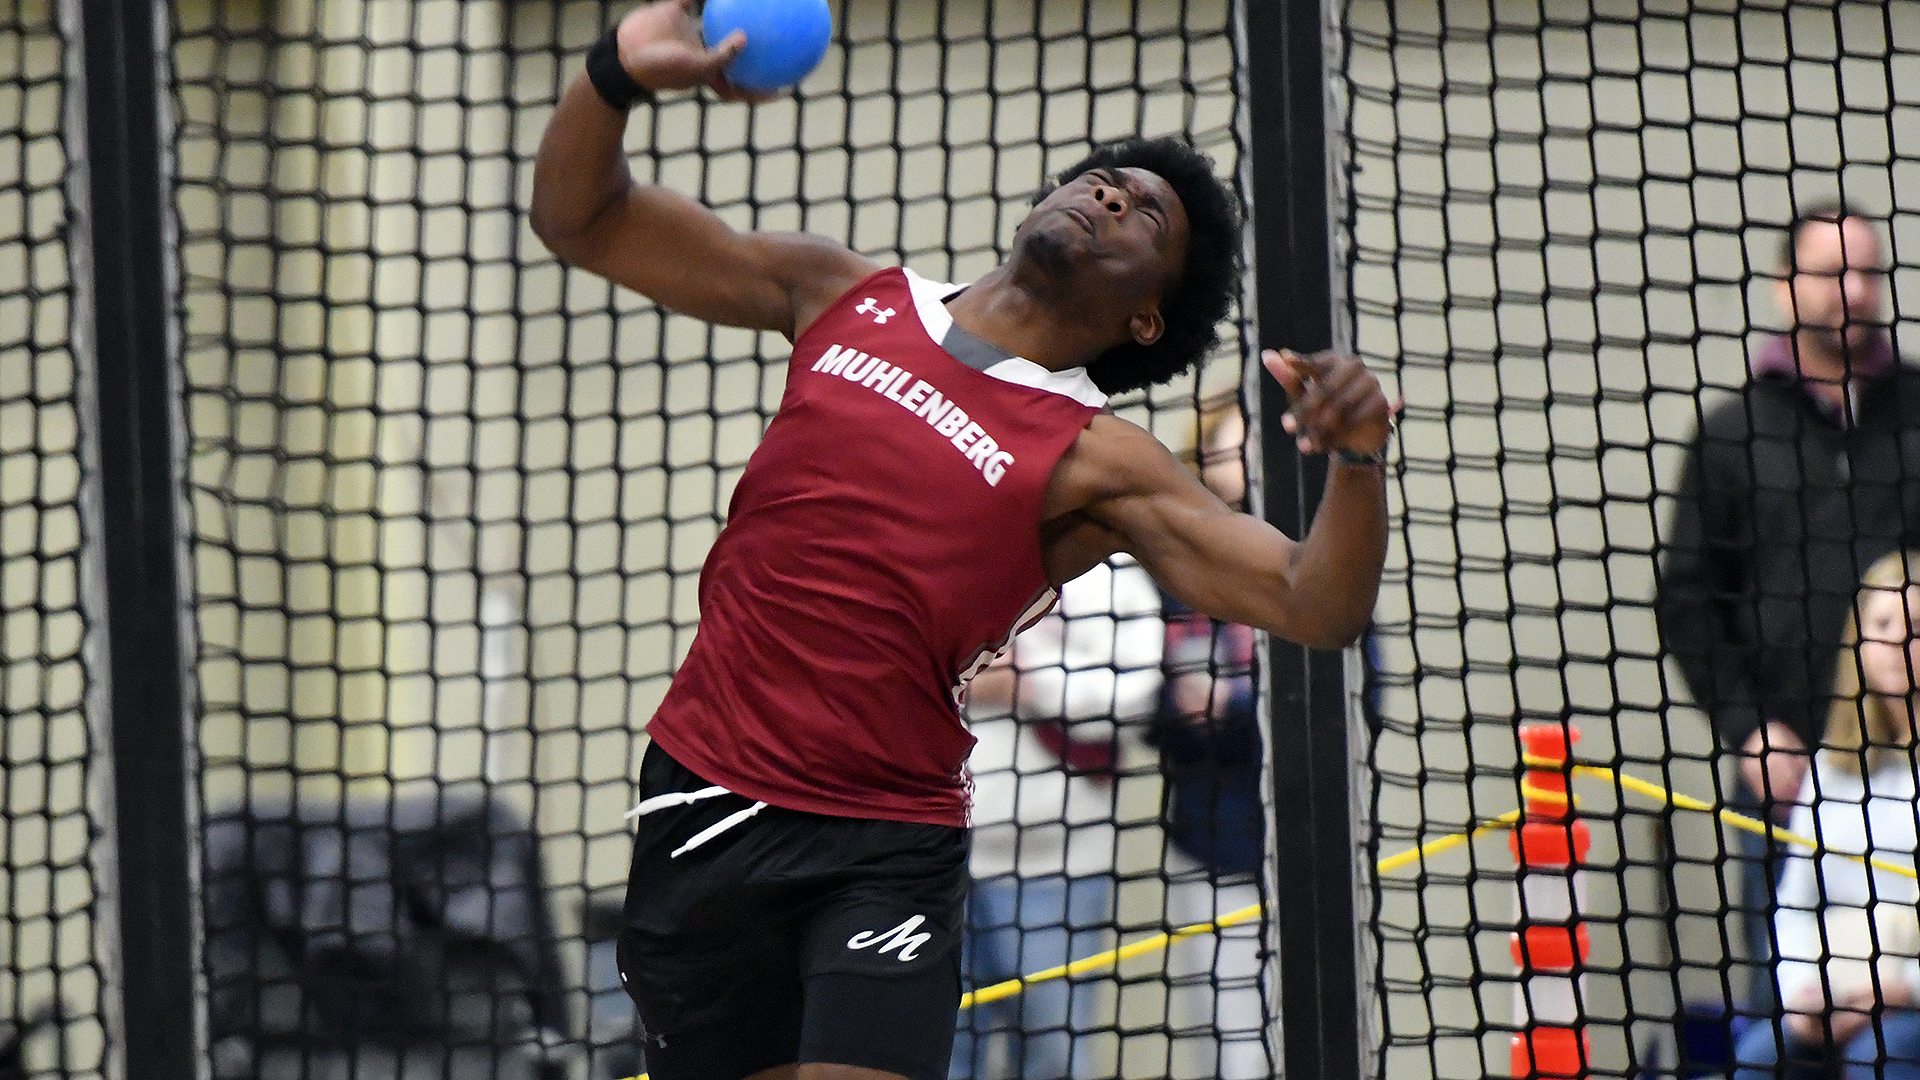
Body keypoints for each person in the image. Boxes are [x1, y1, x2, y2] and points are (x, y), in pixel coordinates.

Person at [529, 3, 1392, 1078]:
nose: (1109, 193)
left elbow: (1317, 602)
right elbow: (583, 221)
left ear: (1146, 322)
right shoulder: (841, 293)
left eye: (1146, 219)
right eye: (1105, 179)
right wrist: (611, 74)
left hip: (882, 843)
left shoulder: (1098, 457)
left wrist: (1357, 465)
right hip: (706, 798)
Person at [1655, 201, 1920, 1016]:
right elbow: (1691, 600)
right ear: (1783, 287)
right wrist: (1750, 729)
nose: (1854, 290)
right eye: (1832, 272)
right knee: (1785, 1010)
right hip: (1791, 775)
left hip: (1912, 776)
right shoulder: (1733, 436)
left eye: (1868, 272)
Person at [950, 555, 1162, 1080]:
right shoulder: (962, 554)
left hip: (1059, 871)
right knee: (942, 1058)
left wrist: (1031, 683)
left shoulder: (1109, 574)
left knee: (1054, 1056)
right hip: (944, 863)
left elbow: (1134, 696)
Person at [1728, 549, 1920, 1080]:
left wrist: (1901, 988)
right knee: (1759, 1059)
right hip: (1834, 996)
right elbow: (1794, 905)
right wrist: (1801, 998)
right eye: (1883, 624)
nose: (1899, 642)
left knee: (1879, 1060)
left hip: (1909, 999)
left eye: (1918, 626)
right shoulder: (1831, 772)